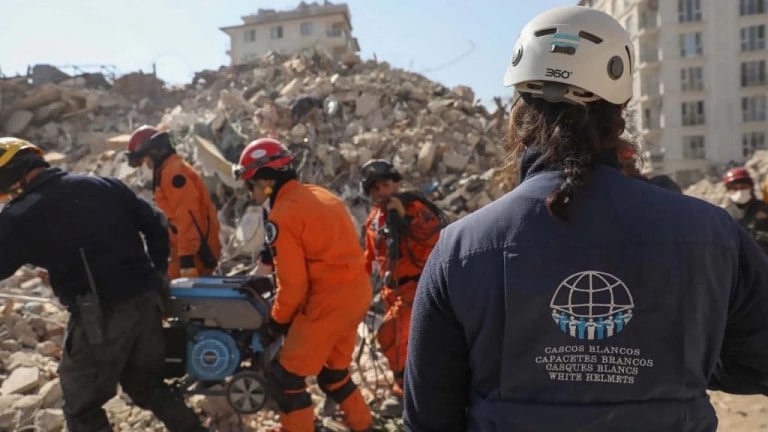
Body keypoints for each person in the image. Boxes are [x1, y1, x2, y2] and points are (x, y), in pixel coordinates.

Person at [403, 6, 768, 432]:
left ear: (519, 110)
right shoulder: (712, 234)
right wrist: (678, 366)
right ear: (622, 110)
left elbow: (428, 416)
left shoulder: (460, 248)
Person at [0, 137, 207, 432]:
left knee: (82, 408)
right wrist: (158, 272)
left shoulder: (19, 214)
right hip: (147, 301)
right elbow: (157, 224)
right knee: (148, 386)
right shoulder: (103, 184)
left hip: (100, 318)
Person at [234, 138, 373, 431]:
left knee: (286, 379)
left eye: (252, 184)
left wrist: (277, 322)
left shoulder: (284, 213)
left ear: (267, 181)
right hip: (356, 295)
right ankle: (364, 426)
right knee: (334, 375)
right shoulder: (320, 194)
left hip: (328, 302)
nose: (251, 192)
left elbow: (293, 285)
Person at [359, 159, 445, 413]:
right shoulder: (374, 220)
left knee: (389, 335)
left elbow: (434, 241)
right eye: (375, 189)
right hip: (391, 288)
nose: (381, 192)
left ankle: (403, 393)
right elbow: (370, 261)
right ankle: (418, 390)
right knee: (406, 344)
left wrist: (405, 221)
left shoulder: (415, 208)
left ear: (396, 183)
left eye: (385, 184)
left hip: (417, 286)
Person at [127, 125, 221, 279]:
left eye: (144, 159)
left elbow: (188, 216)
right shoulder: (167, 170)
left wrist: (186, 258)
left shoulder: (173, 173)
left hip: (196, 253)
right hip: (187, 249)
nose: (146, 165)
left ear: (153, 152)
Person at [723, 167, 768, 253]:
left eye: (743, 187)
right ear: (728, 191)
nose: (740, 192)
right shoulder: (725, 214)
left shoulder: (764, 208)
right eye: (735, 189)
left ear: (751, 187)